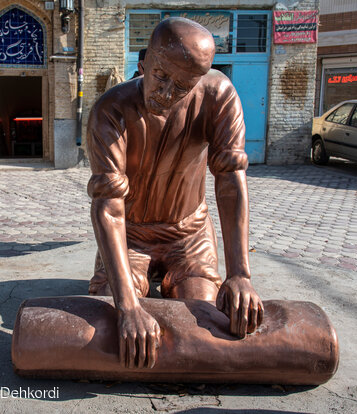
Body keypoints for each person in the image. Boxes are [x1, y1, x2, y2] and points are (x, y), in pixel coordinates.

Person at [87, 17, 263, 369]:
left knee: (202, 317)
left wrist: (240, 274)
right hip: (130, 237)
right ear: (143, 64)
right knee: (113, 319)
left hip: (189, 234)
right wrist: (128, 306)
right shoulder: (110, 111)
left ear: (199, 80)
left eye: (182, 86)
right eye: (161, 76)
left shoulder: (218, 95)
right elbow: (109, 208)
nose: (167, 93)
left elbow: (230, 180)